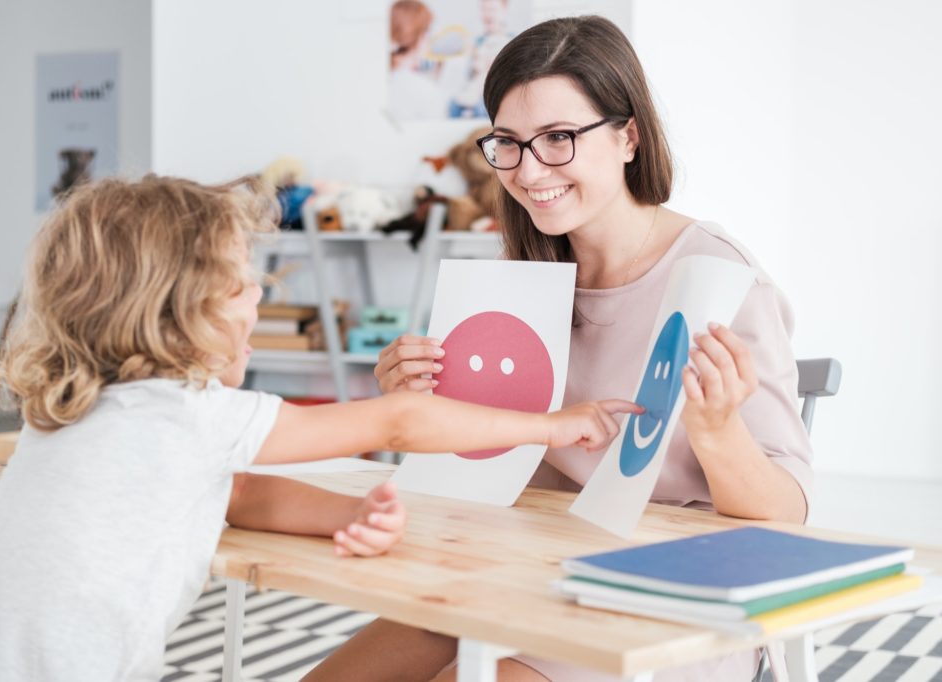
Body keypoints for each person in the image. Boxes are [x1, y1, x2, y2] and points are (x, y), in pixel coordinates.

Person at [0, 174, 639, 681]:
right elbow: (400, 419)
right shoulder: (183, 415)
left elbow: (238, 495)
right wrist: (550, 426)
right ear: (177, 311)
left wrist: (348, 512)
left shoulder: (75, 413)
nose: (260, 296)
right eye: (241, 283)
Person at [306, 14, 813, 682]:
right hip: (526, 569)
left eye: (559, 139)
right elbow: (486, 467)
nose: (528, 169)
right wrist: (418, 403)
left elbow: (790, 514)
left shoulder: (719, 280)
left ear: (628, 136)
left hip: (677, 601)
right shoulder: (521, 278)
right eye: (508, 143)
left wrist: (716, 430)